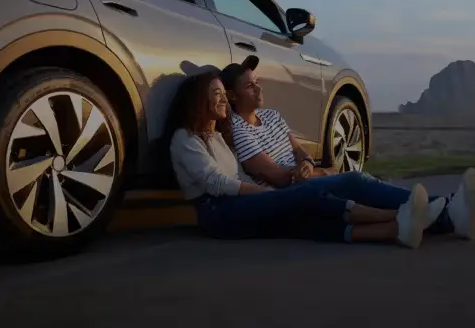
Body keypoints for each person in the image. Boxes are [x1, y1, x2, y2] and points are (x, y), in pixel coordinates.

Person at [217, 55, 475, 239]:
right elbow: (277, 177)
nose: (259, 89)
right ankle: (450, 208)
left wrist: (309, 164)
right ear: (232, 96)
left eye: (257, 82)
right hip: (288, 194)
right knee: (354, 181)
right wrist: (320, 172)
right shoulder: (239, 131)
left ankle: (450, 213)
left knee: (362, 186)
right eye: (250, 86)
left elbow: (299, 151)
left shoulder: (272, 116)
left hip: (305, 179)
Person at [169, 71, 453, 248]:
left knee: (302, 222)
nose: (222, 100)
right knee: (305, 198)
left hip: (236, 204)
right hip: (217, 213)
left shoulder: (217, 137)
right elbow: (217, 183)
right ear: (199, 101)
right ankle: (399, 215)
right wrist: (267, 194)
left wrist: (272, 192)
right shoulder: (185, 139)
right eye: (216, 94)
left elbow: (239, 177)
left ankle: (397, 230)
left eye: (223, 93)